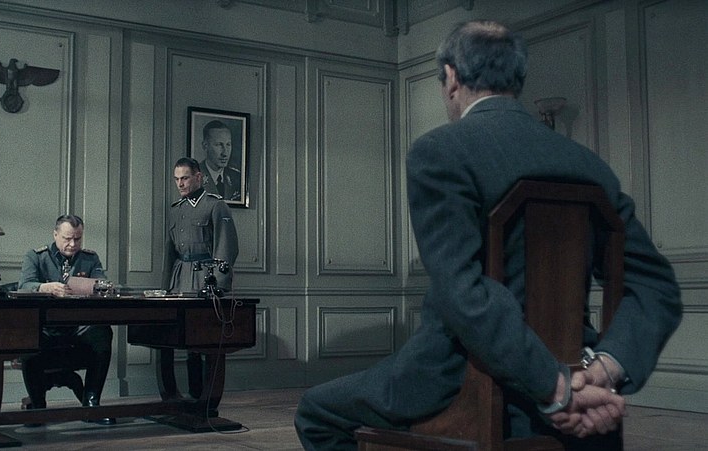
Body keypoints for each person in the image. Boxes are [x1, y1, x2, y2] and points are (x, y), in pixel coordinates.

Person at [295, 20, 682, 449]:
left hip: (459, 379)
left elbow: (464, 293)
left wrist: (556, 389)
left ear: (451, 77)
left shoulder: (440, 152)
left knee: (316, 412)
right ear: (518, 77)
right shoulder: (589, 165)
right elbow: (656, 287)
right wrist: (602, 370)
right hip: (576, 371)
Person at [18, 214, 115, 425]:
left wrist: (97, 287)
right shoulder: (36, 257)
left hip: (78, 327)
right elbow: (23, 286)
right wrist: (45, 287)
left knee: (102, 332)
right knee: (29, 336)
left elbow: (102, 283)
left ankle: (91, 403)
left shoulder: (89, 258)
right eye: (67, 238)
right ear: (55, 235)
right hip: (45, 327)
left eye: (77, 239)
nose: (72, 244)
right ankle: (38, 408)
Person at [160, 157, 239, 399]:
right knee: (184, 339)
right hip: (180, 279)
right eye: (176, 179)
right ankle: (190, 395)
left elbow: (226, 247)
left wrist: (219, 285)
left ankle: (205, 398)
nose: (180, 184)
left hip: (205, 278)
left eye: (185, 178)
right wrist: (165, 286)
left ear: (198, 177)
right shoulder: (176, 209)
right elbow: (169, 252)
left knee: (205, 340)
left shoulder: (215, 206)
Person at [199, 120, 242, 201]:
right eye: (219, 145)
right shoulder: (194, 176)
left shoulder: (236, 177)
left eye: (228, 144)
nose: (225, 153)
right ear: (205, 146)